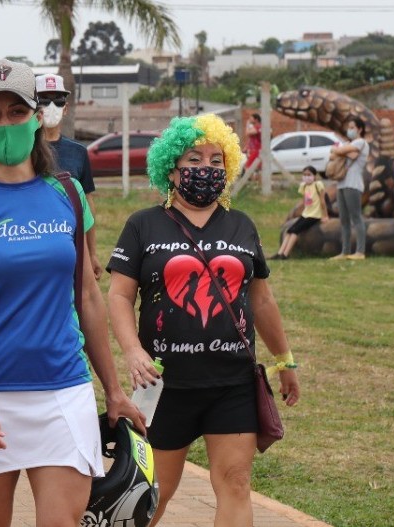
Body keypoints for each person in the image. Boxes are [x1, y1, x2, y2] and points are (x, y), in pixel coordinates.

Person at [0, 58, 141, 527]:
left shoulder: (67, 193)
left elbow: (87, 296)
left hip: (64, 391)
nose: (6, 123)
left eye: (17, 112)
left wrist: (115, 390)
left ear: (37, 117)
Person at [106, 113, 301, 527]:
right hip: (162, 386)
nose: (206, 170)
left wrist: (284, 361)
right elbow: (120, 295)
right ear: (170, 170)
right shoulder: (143, 224)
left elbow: (262, 300)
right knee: (150, 492)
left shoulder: (242, 225)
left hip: (231, 384)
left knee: (235, 481)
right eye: (195, 160)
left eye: (217, 162)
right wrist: (132, 350)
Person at [36, 73, 102, 279]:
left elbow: (87, 203)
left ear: (66, 108)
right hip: (35, 239)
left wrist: (92, 253)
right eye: (44, 100)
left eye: (58, 100)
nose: (51, 106)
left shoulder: (78, 152)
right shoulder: (23, 151)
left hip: (71, 244)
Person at [329, 117, 368, 261]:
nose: (349, 130)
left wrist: (340, 150)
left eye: (352, 127)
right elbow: (334, 153)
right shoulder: (349, 144)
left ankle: (360, 251)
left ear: (360, 129)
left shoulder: (361, 142)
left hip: (353, 184)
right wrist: (343, 151)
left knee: (356, 217)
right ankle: (345, 251)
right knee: (344, 219)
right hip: (342, 183)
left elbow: (340, 151)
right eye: (349, 127)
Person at [271, 165, 328, 260]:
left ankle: (285, 254)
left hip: (314, 215)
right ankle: (280, 253)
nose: (306, 177)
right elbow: (304, 201)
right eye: (304, 175)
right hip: (306, 214)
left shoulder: (318, 185)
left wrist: (325, 216)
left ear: (314, 176)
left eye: (309, 174)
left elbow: (322, 201)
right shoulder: (304, 186)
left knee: (295, 231)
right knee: (289, 230)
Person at [242, 114, 262, 182]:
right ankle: (256, 184)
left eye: (251, 118)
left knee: (247, 167)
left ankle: (250, 183)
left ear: (256, 119)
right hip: (253, 150)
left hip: (256, 150)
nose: (249, 119)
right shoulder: (255, 127)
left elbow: (247, 133)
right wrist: (246, 147)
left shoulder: (258, 127)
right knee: (256, 169)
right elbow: (251, 139)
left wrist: (247, 124)